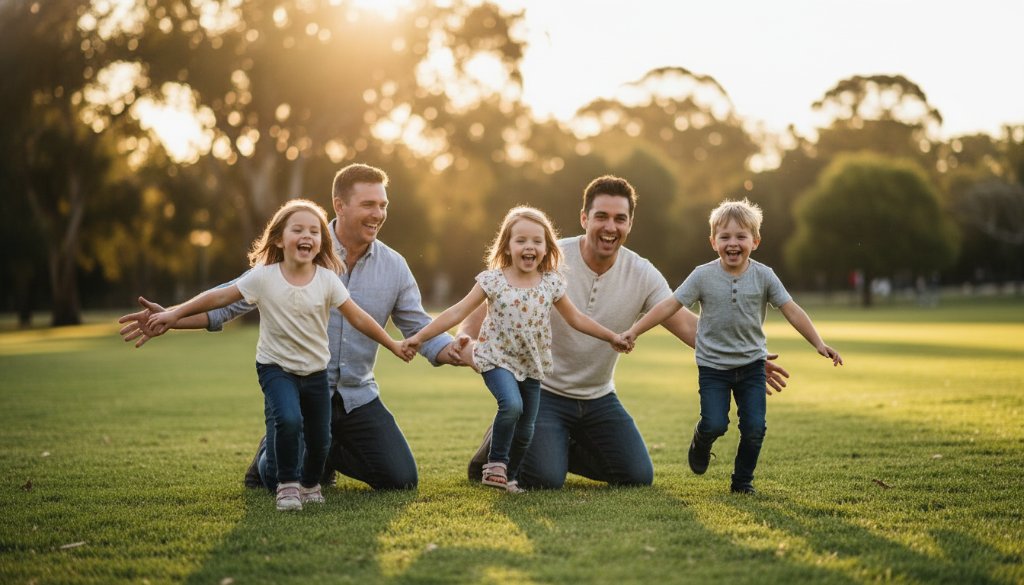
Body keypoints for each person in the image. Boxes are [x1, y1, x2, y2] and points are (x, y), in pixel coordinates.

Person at [118, 164, 468, 492]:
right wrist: (171, 317)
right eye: (368, 204)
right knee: (284, 478)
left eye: (382, 204)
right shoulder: (297, 248)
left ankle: (322, 450)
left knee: (401, 479)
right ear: (340, 205)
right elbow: (227, 305)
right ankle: (275, 451)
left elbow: (417, 323)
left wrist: (447, 348)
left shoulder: (394, 266)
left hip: (356, 396)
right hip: (301, 390)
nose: (378, 214)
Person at [463, 176, 791, 489]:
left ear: (629, 225)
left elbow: (688, 325)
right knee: (546, 479)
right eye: (601, 216)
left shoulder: (642, 273)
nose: (610, 227)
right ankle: (496, 452)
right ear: (584, 218)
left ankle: (550, 445)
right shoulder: (550, 257)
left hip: (599, 398)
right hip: (545, 391)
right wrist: (465, 339)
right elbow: (490, 298)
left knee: (636, 475)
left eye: (620, 218)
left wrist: (744, 360)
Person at [143, 199, 409, 510]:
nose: (306, 236)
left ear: (323, 241)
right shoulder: (263, 277)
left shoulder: (327, 279)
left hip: (317, 375)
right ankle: (285, 482)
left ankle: (310, 482)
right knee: (290, 419)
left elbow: (359, 317)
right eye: (297, 230)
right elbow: (220, 298)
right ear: (279, 239)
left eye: (313, 231)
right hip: (277, 369)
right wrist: (173, 315)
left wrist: (393, 344)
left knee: (323, 438)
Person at [402, 206, 630, 493]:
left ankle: (510, 477)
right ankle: (495, 464)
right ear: (507, 247)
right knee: (511, 405)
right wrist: (419, 338)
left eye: (536, 241)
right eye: (520, 240)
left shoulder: (551, 284)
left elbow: (577, 319)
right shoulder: (493, 281)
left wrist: (612, 337)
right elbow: (457, 312)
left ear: (547, 248)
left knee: (527, 429)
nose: (529, 246)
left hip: (531, 363)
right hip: (496, 358)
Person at [621, 198, 841, 495]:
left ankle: (742, 482)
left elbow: (792, 309)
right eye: (725, 237)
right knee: (714, 423)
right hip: (713, 367)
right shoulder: (702, 275)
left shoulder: (764, 276)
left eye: (741, 236)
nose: (732, 243)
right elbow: (669, 306)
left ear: (755, 241)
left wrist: (818, 342)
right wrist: (634, 330)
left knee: (754, 429)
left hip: (752, 367)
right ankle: (701, 440)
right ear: (713, 242)